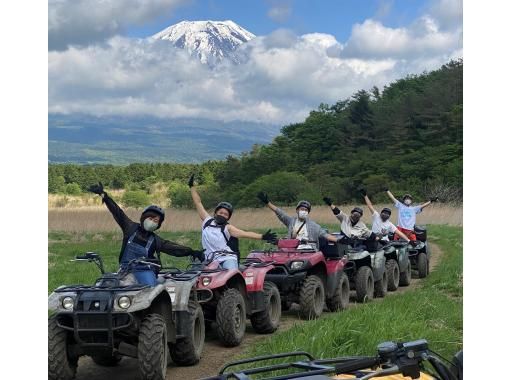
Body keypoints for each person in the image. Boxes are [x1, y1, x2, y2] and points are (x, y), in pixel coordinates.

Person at [88, 182, 205, 286]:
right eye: (151, 218)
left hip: (144, 270)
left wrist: (191, 251)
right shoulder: (130, 228)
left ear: (158, 225)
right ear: (144, 217)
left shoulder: (155, 240)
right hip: (125, 269)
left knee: (150, 289)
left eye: (156, 221)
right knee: (106, 284)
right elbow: (117, 212)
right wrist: (104, 196)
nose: (152, 222)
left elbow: (173, 248)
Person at [189, 175, 277, 269]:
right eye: (220, 212)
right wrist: (192, 187)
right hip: (210, 259)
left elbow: (245, 233)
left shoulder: (228, 228)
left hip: (227, 258)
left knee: (231, 274)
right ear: (215, 213)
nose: (222, 215)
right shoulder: (207, 221)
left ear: (228, 218)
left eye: (225, 214)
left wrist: (263, 236)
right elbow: (198, 202)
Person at [257, 192, 341, 250]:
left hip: (309, 251)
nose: (304, 211)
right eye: (302, 209)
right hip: (291, 250)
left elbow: (325, 235)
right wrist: (267, 202)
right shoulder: (291, 221)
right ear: (297, 210)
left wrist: (339, 240)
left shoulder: (314, 226)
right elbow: (279, 212)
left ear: (308, 212)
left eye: (306, 210)